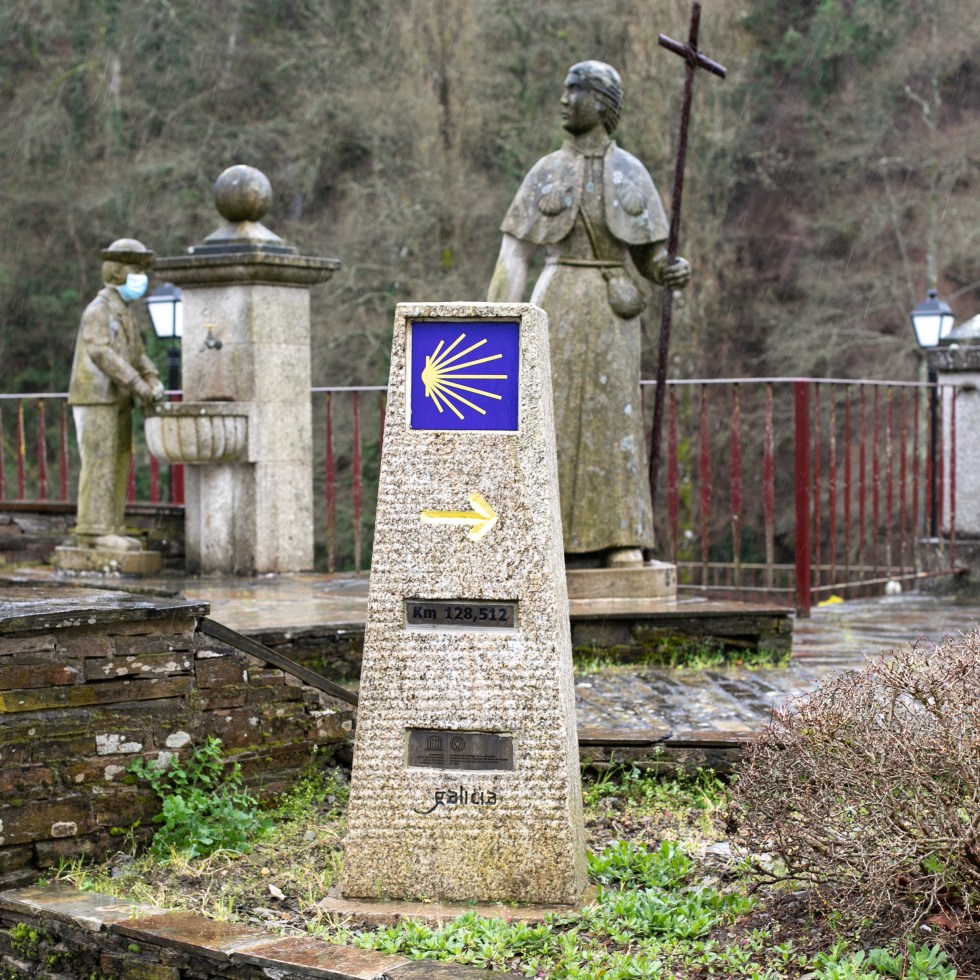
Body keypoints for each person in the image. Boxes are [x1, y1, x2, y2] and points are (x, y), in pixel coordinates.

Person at [488, 60, 690, 567]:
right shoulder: (545, 171)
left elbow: (649, 256)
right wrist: (494, 326)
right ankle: (544, 535)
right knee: (547, 418)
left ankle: (622, 538)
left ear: (601, 103)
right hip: (555, 303)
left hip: (612, 312)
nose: (563, 100)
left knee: (614, 420)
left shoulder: (631, 173)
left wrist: (669, 269)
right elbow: (514, 256)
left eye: (574, 91)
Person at [68, 238, 165, 549]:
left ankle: (111, 525)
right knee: (100, 462)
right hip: (96, 397)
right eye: (136, 270)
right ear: (118, 272)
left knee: (119, 461)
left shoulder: (125, 311)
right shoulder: (98, 310)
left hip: (118, 398)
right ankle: (93, 531)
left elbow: (137, 354)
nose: (141, 278)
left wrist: (152, 378)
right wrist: (137, 383)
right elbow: (101, 353)